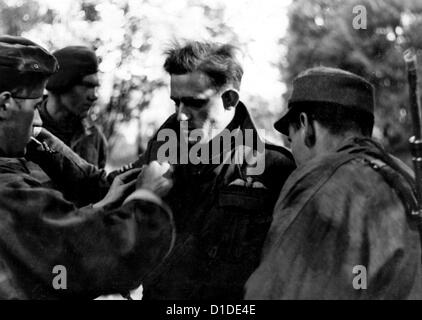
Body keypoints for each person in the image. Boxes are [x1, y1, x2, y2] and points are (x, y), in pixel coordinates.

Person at [0, 35, 174, 300]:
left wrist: (101, 205)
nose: (36, 120)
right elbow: (98, 253)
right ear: (4, 104)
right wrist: (146, 198)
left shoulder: (85, 138)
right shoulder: (7, 184)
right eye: (34, 106)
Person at [121, 41, 295, 299]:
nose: (181, 116)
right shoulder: (165, 151)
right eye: (176, 103)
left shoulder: (273, 167)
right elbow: (104, 187)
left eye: (194, 103)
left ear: (229, 99)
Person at [245, 66, 422, 299]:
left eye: (291, 138)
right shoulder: (405, 175)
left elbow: (271, 291)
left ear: (306, 125)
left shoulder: (317, 182)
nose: (291, 149)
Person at [38, 45, 107, 168]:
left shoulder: (94, 137)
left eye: (96, 87)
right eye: (87, 85)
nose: (94, 96)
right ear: (61, 83)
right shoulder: (27, 128)